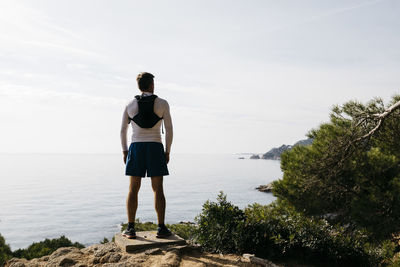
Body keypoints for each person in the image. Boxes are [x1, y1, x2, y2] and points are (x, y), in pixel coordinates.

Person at [120, 72, 173, 239]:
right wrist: (167, 151)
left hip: (136, 147)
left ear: (139, 86)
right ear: (152, 85)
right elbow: (170, 130)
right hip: (156, 146)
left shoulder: (130, 105)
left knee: (133, 189)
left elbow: (123, 130)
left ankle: (130, 228)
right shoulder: (162, 104)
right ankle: (161, 228)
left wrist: (125, 151)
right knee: (158, 189)